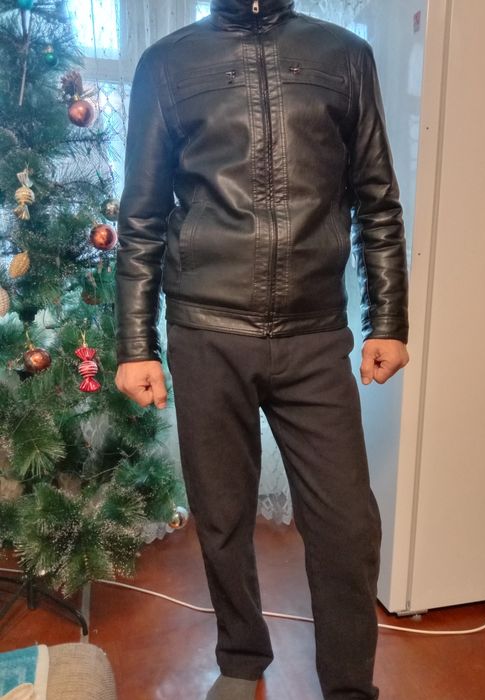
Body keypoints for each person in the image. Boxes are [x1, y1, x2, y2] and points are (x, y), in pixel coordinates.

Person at [115, 1, 409, 698]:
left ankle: (349, 687)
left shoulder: (345, 57)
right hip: (206, 332)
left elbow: (376, 201)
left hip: (314, 338)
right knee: (222, 516)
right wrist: (135, 344)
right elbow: (142, 216)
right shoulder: (167, 63)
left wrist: (388, 321)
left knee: (347, 527)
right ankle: (242, 657)